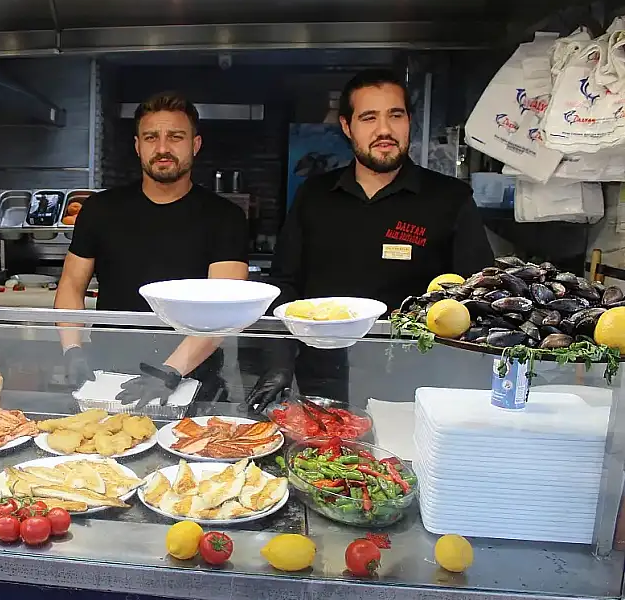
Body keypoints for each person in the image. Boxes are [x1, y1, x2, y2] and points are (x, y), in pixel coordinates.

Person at [246, 69, 493, 411]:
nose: (384, 130)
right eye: (369, 117)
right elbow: (285, 284)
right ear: (347, 126)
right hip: (322, 380)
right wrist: (278, 362)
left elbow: (479, 297)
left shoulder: (450, 199)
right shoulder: (314, 195)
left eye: (395, 115)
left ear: (409, 121)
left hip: (417, 384)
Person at [54, 91, 249, 406]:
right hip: (109, 377)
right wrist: (72, 348)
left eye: (175, 137)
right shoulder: (100, 209)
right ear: (137, 146)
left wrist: (170, 371)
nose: (162, 148)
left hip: (193, 379)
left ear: (195, 144)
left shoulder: (225, 217)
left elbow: (223, 309)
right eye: (151, 137)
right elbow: (71, 285)